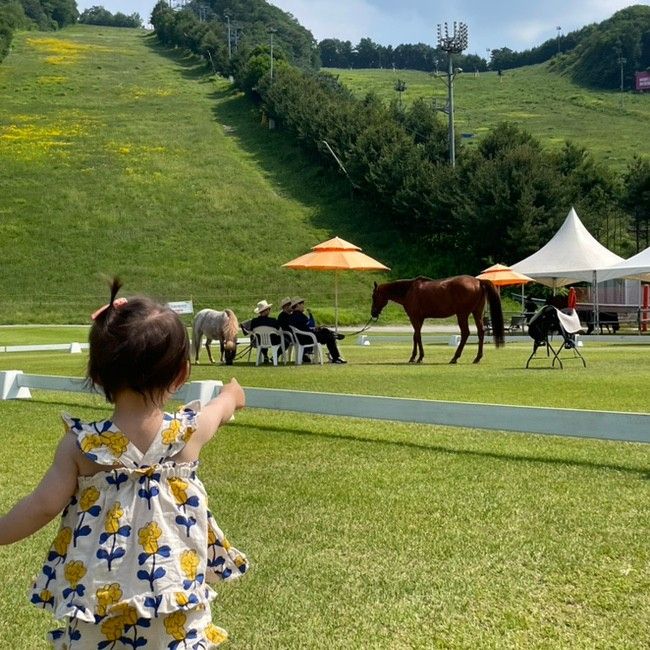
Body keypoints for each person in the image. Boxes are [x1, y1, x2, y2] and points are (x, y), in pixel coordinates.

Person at [0, 278, 248, 648]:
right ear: (181, 374)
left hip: (99, 607)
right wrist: (231, 393)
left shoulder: (81, 445)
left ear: (98, 376)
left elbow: (42, 506)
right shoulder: (187, 432)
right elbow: (225, 405)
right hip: (174, 603)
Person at [289, 297, 347, 364]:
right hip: (307, 338)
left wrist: (316, 328)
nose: (303, 305)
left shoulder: (292, 316)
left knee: (324, 330)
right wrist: (315, 329)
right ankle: (336, 357)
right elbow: (308, 328)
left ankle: (333, 334)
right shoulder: (300, 316)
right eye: (302, 304)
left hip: (303, 336)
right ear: (297, 305)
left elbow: (304, 328)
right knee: (329, 337)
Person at [250, 299, 287, 363]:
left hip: (259, 342)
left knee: (260, 337)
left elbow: (251, 332)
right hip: (273, 341)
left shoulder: (254, 321)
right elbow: (279, 331)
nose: (270, 310)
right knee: (286, 341)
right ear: (266, 311)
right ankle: (276, 355)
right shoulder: (273, 320)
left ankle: (265, 355)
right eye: (269, 309)